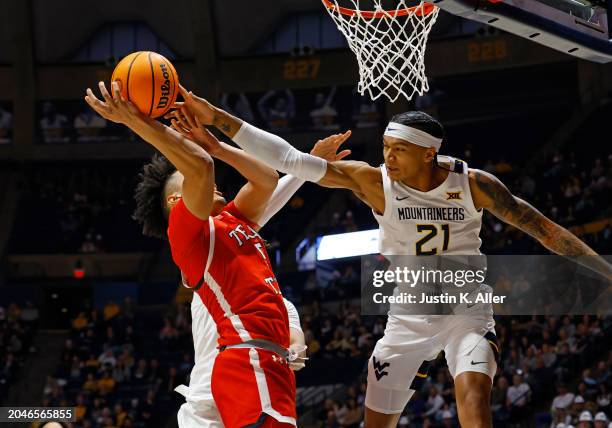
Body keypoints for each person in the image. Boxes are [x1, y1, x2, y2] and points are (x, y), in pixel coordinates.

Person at [168, 88, 612, 428]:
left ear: (428, 152)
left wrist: (604, 270)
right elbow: (289, 159)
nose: (387, 158)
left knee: (474, 404)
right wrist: (218, 120)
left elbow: (544, 229)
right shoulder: (374, 182)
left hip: (466, 310)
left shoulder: (473, 183)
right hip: (407, 317)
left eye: (397, 150)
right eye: (384, 149)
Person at [85, 82, 333, 427]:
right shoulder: (189, 236)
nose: (211, 185)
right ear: (177, 201)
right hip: (244, 359)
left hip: (266, 359)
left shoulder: (235, 219)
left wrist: (217, 146)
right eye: (186, 181)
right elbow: (200, 167)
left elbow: (266, 179)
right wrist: (137, 122)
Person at [169, 138, 350, 428]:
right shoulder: (200, 251)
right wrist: (306, 165)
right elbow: (267, 200)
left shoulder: (274, 298)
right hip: (208, 397)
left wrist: (297, 349)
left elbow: (296, 341)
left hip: (250, 377)